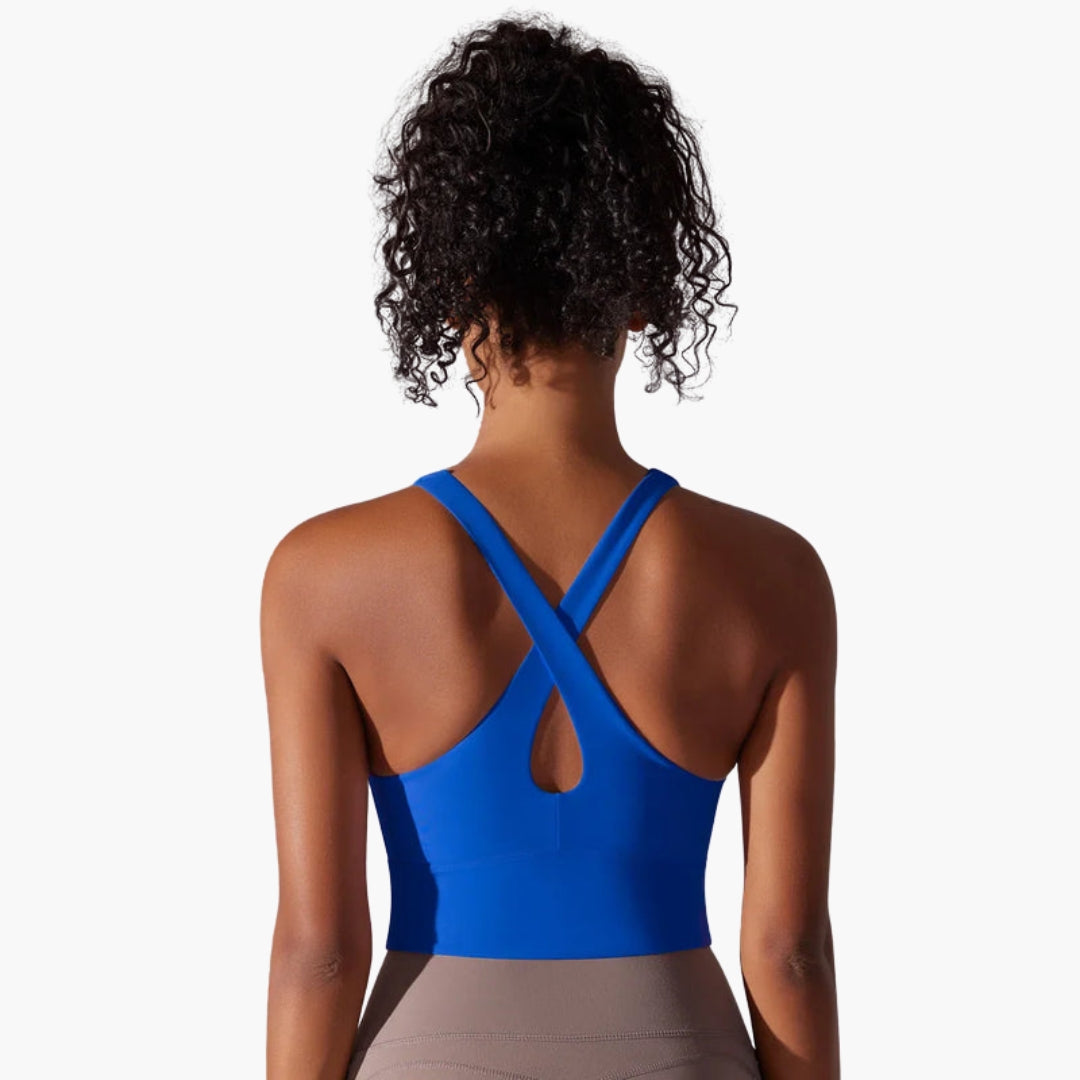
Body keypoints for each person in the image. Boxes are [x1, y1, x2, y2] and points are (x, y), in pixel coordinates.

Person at [262, 15, 840, 1080]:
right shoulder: (774, 576)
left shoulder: (323, 574)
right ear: (646, 283)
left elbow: (319, 952)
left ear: (447, 277)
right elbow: (789, 952)